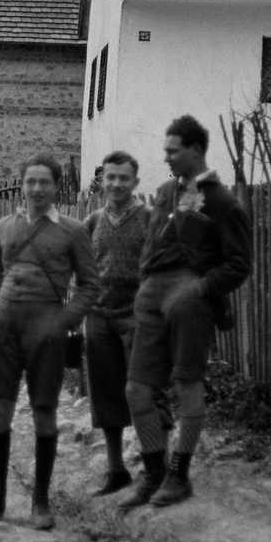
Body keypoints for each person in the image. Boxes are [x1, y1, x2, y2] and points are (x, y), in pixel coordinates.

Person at [120, 116, 252, 509]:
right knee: (137, 388)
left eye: (172, 151)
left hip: (189, 296)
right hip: (152, 294)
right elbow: (155, 241)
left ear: (195, 150)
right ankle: (154, 471)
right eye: (165, 152)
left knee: (187, 384)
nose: (167, 159)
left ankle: (179, 475)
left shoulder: (222, 201)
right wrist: (145, 283)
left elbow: (240, 263)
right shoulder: (165, 191)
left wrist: (199, 289)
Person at [0, 153, 100, 530]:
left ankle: (40, 502)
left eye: (45, 182)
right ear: (22, 184)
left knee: (45, 410)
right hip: (4, 325)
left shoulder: (74, 231)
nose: (37, 189)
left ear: (57, 187)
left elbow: (90, 286)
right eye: (31, 181)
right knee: (0, 410)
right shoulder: (3, 226)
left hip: (46, 326)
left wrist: (62, 321)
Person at [83, 150, 164, 494]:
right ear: (101, 180)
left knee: (145, 393)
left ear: (136, 182)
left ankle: (156, 468)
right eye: (110, 177)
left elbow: (163, 269)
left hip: (137, 318)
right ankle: (116, 470)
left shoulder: (150, 218)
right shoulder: (92, 222)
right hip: (100, 318)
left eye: (124, 178)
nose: (116, 184)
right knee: (105, 396)